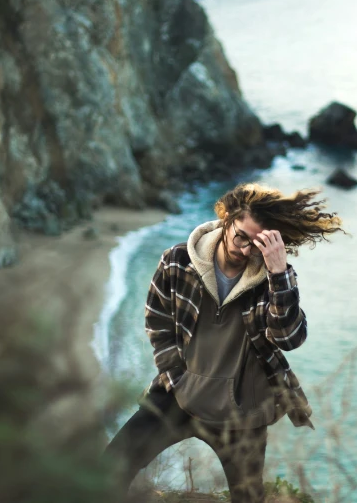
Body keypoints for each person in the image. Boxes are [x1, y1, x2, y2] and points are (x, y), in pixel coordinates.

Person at [103, 183, 344, 502]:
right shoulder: (178, 261)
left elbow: (289, 338)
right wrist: (177, 378)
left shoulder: (274, 279)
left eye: (255, 244)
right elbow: (157, 318)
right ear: (227, 219)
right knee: (109, 469)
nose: (245, 250)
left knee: (247, 498)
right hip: (179, 396)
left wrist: (278, 272)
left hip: (241, 410)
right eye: (241, 237)